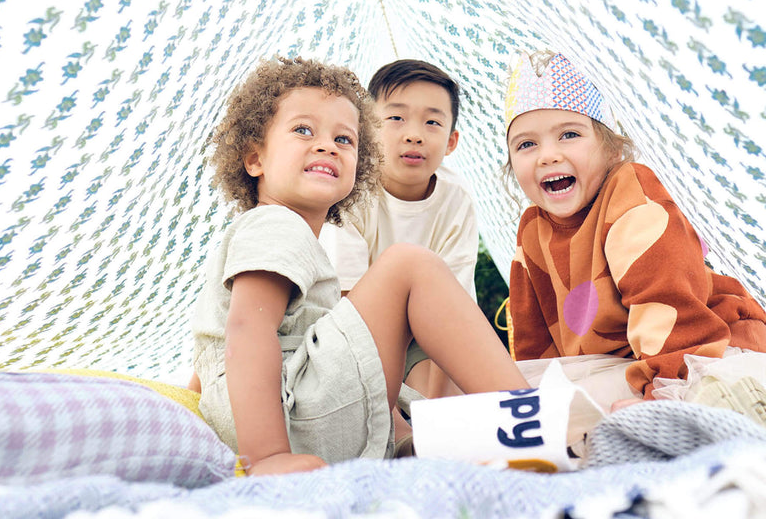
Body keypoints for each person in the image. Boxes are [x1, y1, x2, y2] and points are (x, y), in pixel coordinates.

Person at [191, 56, 528, 476]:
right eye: (303, 130)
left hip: (311, 418)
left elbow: (215, 345)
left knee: (418, 325)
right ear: (254, 158)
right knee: (409, 265)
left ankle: (408, 441)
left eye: (345, 139)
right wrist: (268, 454)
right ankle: (527, 413)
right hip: (287, 423)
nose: (326, 145)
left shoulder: (290, 239)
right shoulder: (274, 223)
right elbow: (245, 331)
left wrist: (196, 405)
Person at [503, 50, 766, 413]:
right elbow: (535, 346)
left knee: (700, 403)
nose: (547, 155)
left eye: (569, 134)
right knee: (530, 405)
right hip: (625, 365)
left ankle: (723, 411)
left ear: (611, 148)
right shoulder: (532, 231)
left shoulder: (629, 191)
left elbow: (666, 299)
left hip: (702, 351)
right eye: (526, 144)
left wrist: (664, 395)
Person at [319, 59, 478, 400]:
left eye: (432, 122)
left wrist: (438, 404)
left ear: (451, 142)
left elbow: (455, 312)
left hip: (426, 336)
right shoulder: (352, 192)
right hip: (353, 331)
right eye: (396, 118)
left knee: (438, 396)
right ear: (367, 129)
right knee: (383, 409)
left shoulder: (456, 200)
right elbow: (346, 302)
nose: (414, 134)